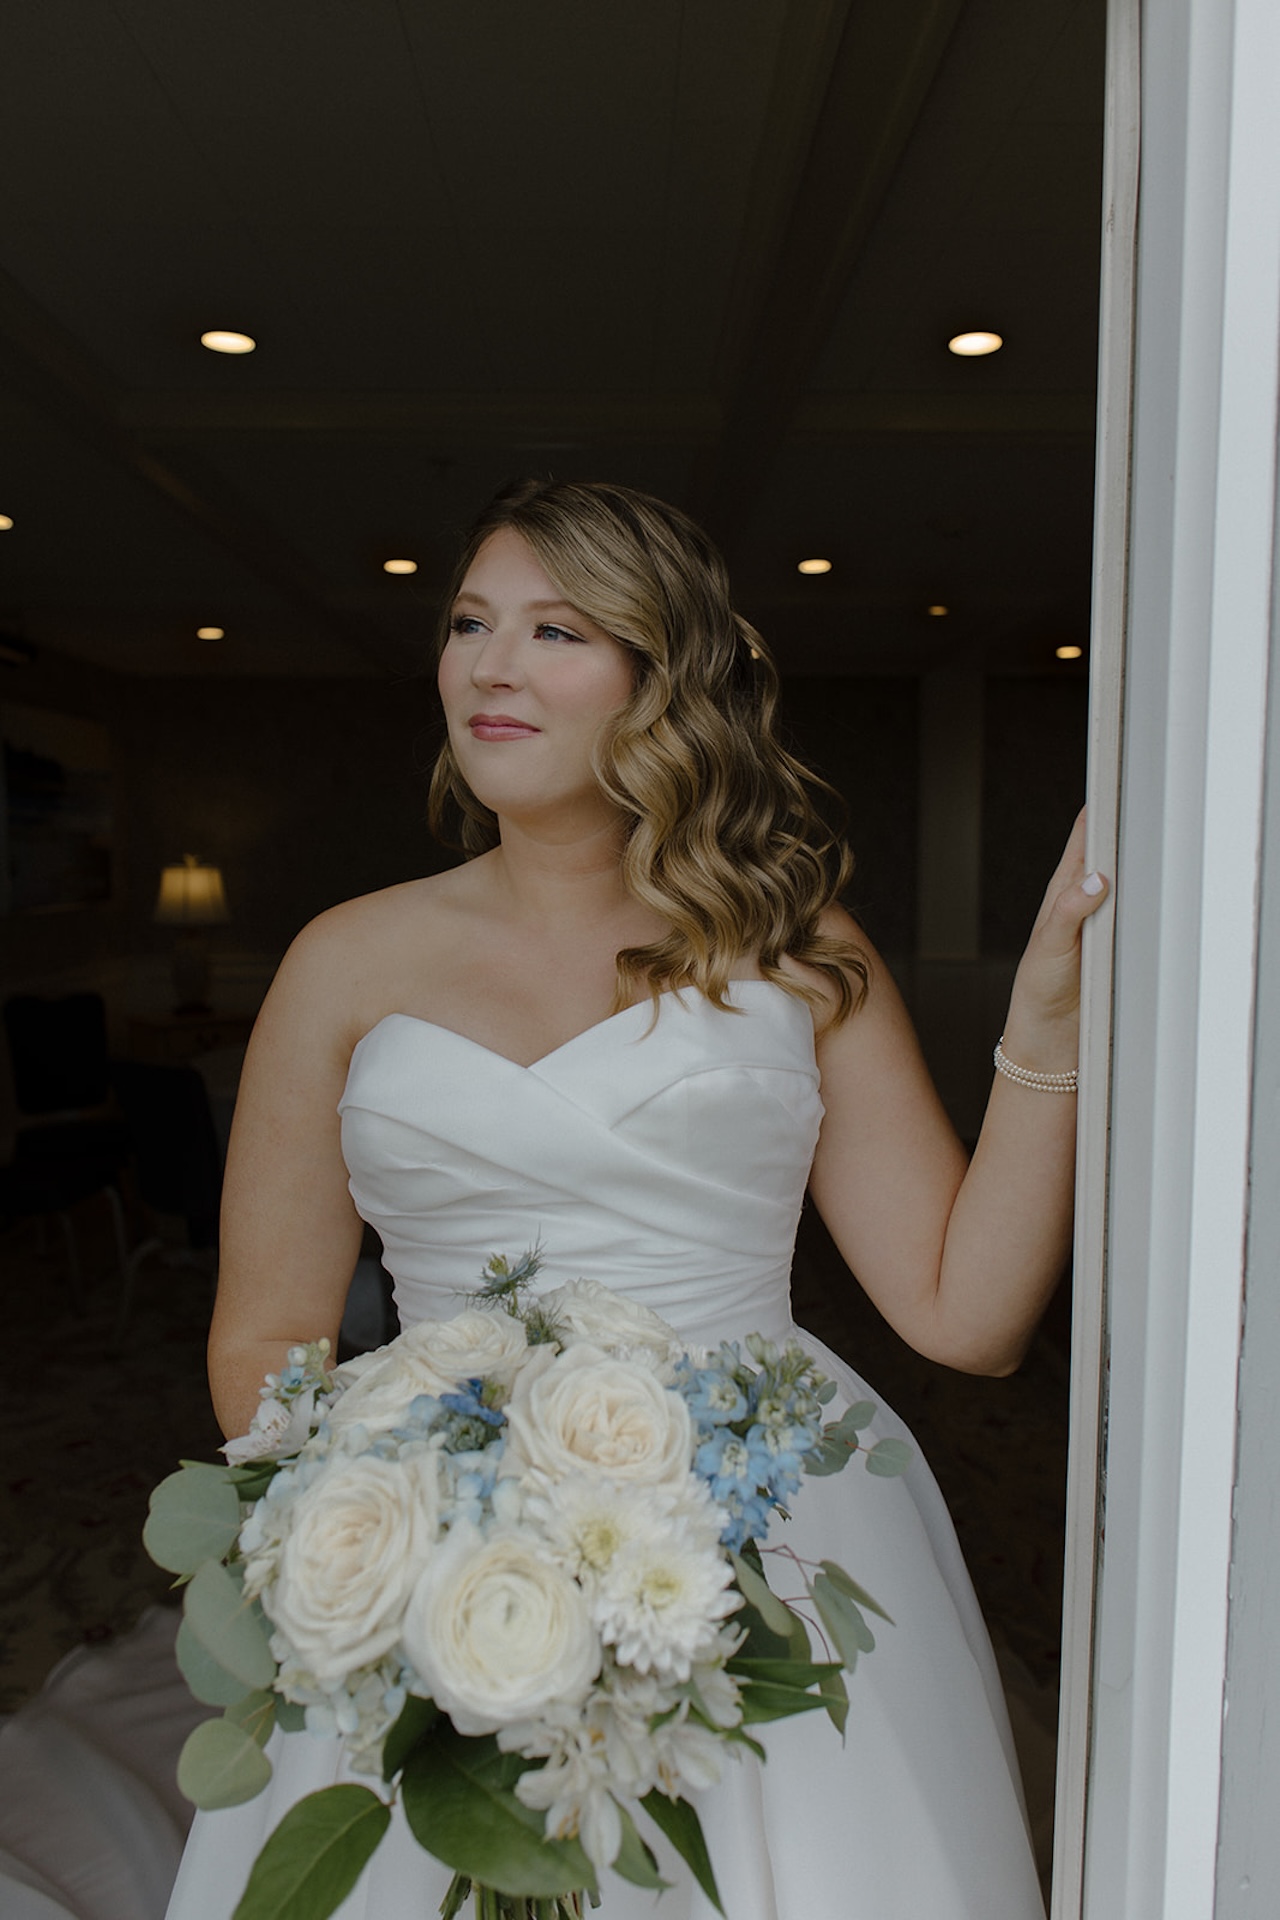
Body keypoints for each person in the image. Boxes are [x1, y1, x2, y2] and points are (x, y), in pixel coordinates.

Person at [167, 478, 1108, 1920]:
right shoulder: (343, 961)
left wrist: (1047, 1023)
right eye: (471, 623)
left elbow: (966, 1316)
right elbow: (267, 1336)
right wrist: (392, 1538)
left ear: (661, 679)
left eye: (556, 630)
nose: (490, 664)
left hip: (771, 1528)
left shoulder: (797, 950)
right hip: (437, 1527)